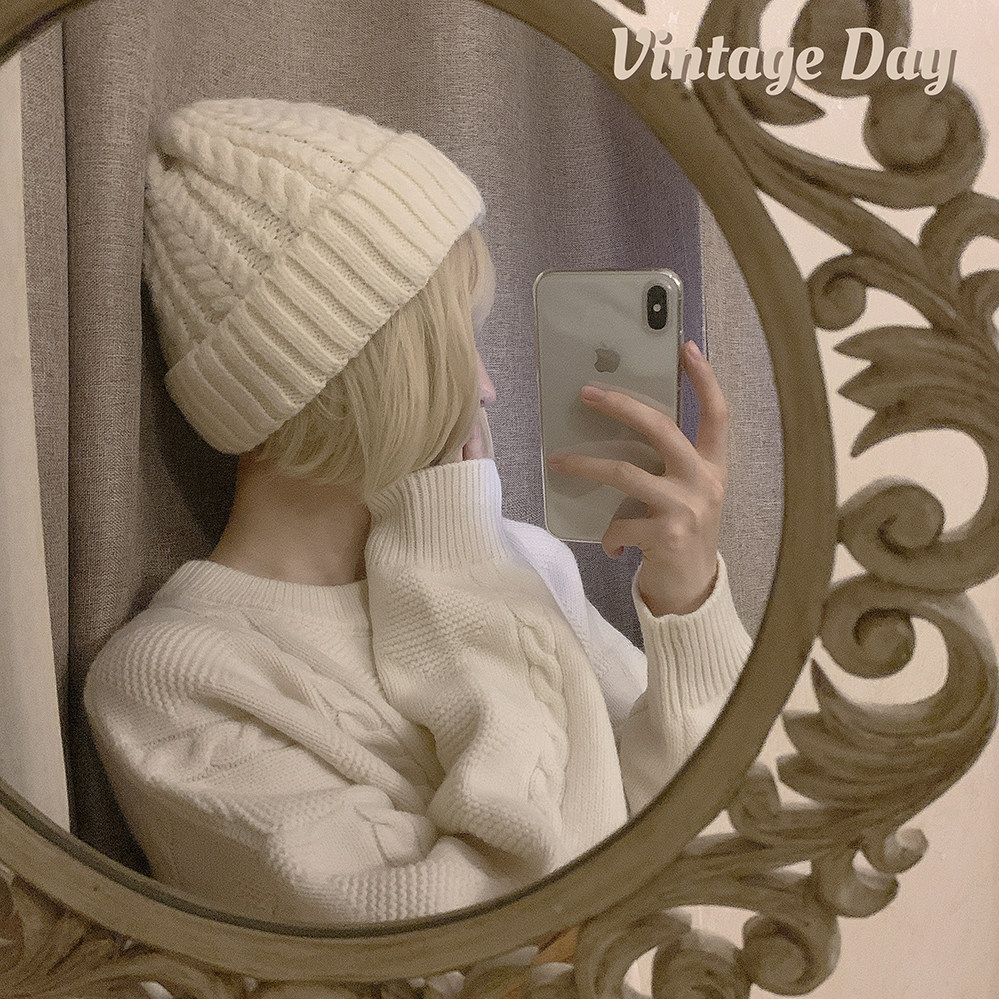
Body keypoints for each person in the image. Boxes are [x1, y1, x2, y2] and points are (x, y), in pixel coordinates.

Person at [84, 98, 752, 925]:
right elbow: (510, 944)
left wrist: (686, 603)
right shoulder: (175, 683)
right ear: (365, 365)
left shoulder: (519, 558)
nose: (487, 386)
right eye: (459, 339)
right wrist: (462, 575)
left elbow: (716, 842)